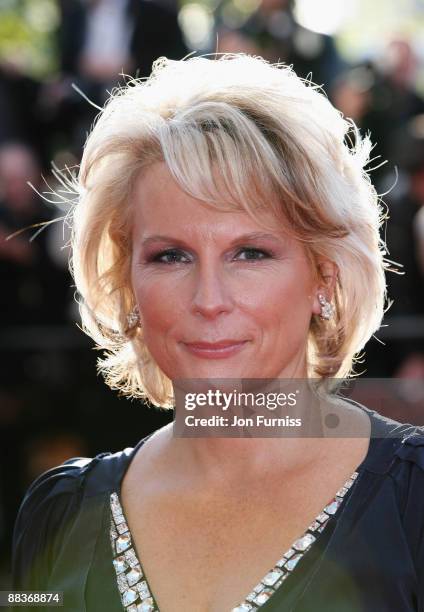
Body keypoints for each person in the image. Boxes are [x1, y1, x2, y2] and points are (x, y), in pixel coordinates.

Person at [11, 54, 424, 612]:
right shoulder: (58, 514)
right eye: (171, 256)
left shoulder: (414, 502)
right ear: (127, 283)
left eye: (250, 253)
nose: (208, 300)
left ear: (323, 276)